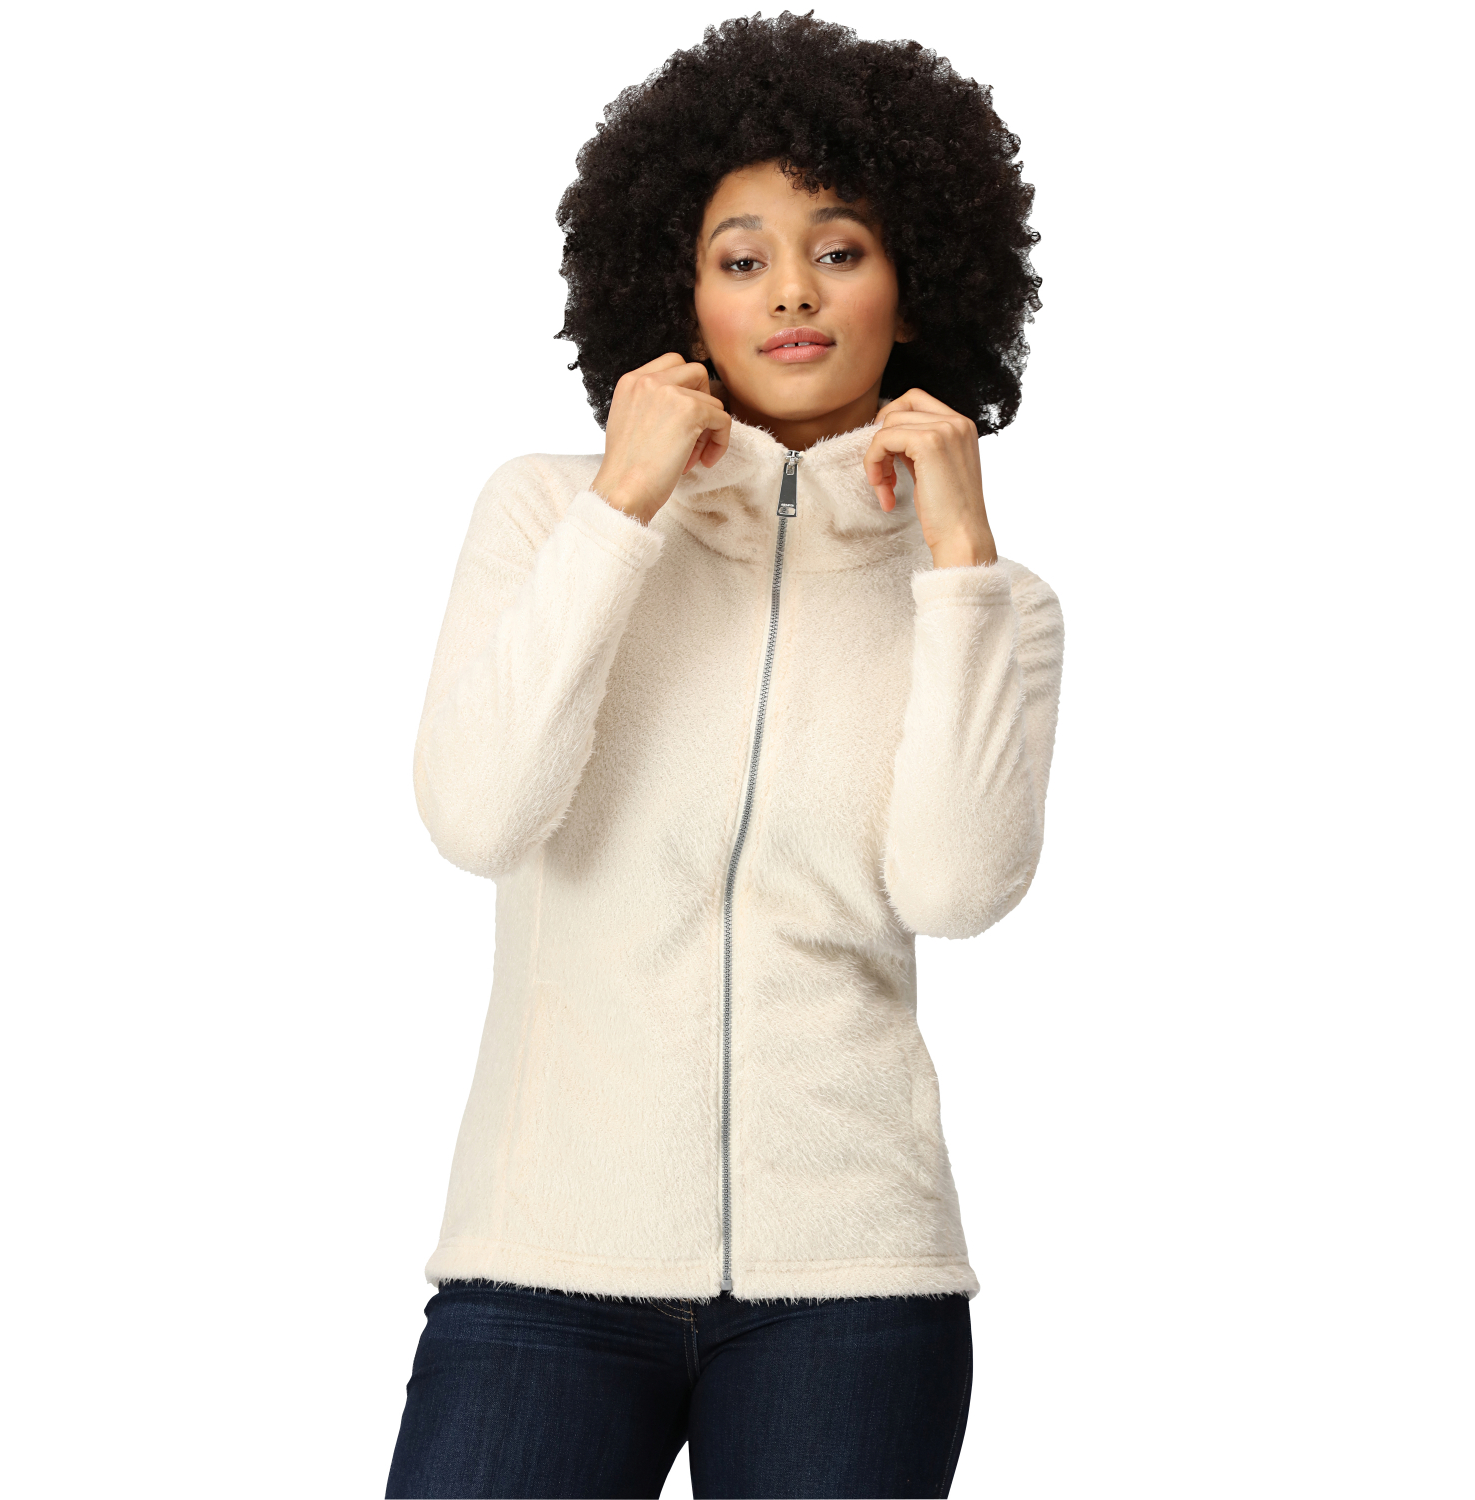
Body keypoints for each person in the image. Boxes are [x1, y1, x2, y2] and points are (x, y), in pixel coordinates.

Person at [386, 13, 1064, 1498]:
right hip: (544, 1266)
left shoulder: (989, 599)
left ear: (918, 286)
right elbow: (479, 813)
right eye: (741, 257)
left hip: (856, 1286)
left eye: (841, 249)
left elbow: (953, 889)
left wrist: (958, 558)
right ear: (677, 291)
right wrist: (620, 510)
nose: (794, 291)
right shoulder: (549, 513)